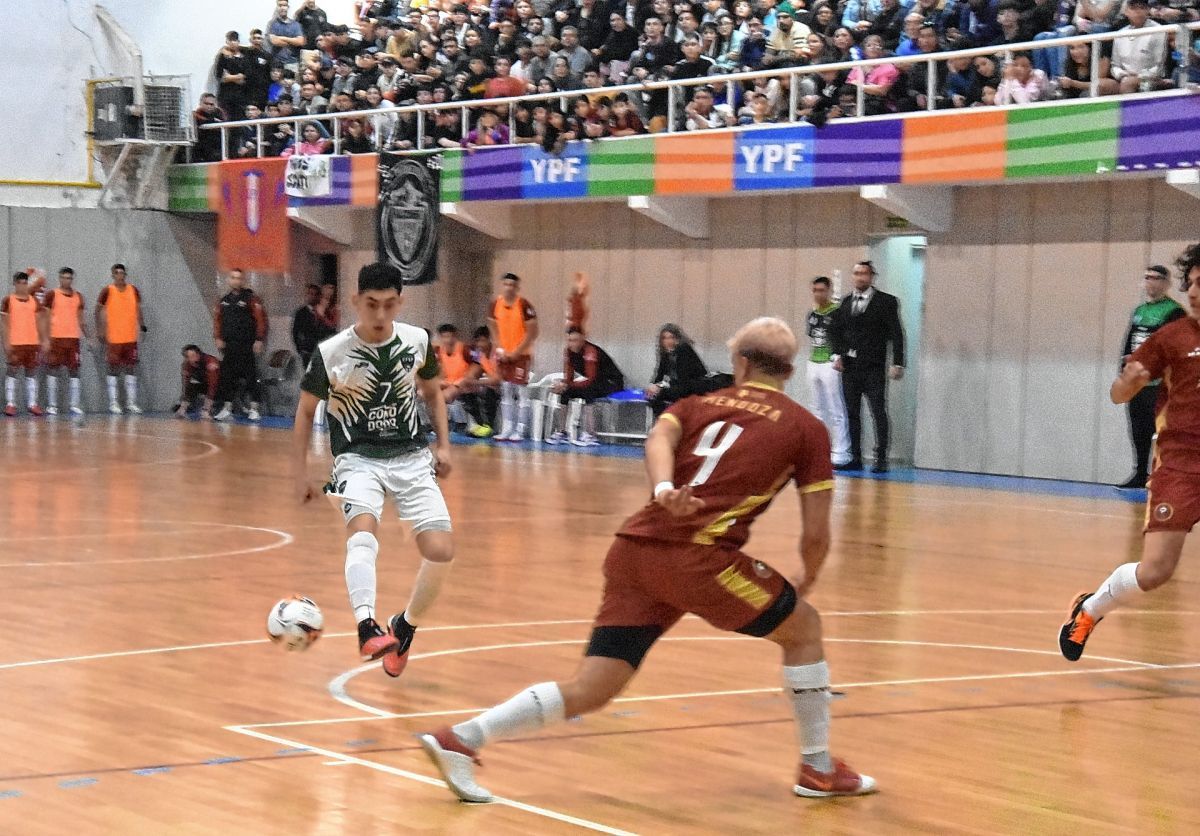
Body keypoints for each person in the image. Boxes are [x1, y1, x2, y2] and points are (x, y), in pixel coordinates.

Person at [417, 316, 877, 802]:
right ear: (789, 370)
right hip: (699, 560)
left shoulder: (696, 404)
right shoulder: (806, 428)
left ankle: (462, 739)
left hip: (633, 551)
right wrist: (808, 576)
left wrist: (663, 489)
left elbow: (659, 438)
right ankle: (818, 768)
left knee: (593, 687)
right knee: (804, 629)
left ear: (741, 363)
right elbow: (816, 532)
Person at [293, 262, 455, 678]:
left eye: (389, 305)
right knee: (363, 534)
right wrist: (301, 473)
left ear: (400, 302)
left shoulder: (417, 340)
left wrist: (443, 445)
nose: (380, 314)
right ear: (355, 301)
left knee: (441, 552)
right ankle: (366, 626)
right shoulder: (332, 352)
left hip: (411, 457)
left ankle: (405, 626)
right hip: (357, 458)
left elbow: (432, 393)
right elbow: (305, 410)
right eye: (371, 304)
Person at [1060, 243, 1200, 661]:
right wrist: (1131, 381)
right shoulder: (1172, 337)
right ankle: (1090, 610)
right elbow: (1118, 394)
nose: (1194, 293)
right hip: (1180, 466)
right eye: (1191, 284)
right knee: (1155, 572)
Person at [829, 260, 905, 473]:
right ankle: (855, 457)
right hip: (850, 367)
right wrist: (837, 354)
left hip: (874, 366)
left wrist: (897, 362)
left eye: (864, 273)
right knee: (852, 413)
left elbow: (896, 333)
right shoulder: (846, 302)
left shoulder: (886, 301)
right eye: (857, 273)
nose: (860, 277)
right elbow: (835, 331)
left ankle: (881, 457)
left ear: (871, 277)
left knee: (878, 411)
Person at [1115, 265, 1186, 489]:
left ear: (1165, 283)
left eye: (1155, 278)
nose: (1150, 282)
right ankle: (1139, 473)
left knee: (1162, 429)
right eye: (1147, 278)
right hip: (1138, 382)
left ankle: (1163, 474)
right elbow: (1130, 341)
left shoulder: (1174, 311)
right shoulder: (1140, 311)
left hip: (1159, 382)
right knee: (1139, 428)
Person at [548, 327, 625, 446]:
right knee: (565, 392)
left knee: (588, 390)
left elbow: (590, 379)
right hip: (596, 381)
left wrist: (567, 385)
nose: (572, 344)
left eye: (575, 340)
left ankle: (591, 434)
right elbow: (569, 377)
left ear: (583, 339)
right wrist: (562, 385)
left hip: (612, 382)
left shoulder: (590, 351)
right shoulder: (568, 352)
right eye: (570, 340)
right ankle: (562, 432)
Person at [487, 272, 539, 441]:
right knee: (506, 391)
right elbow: (493, 326)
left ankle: (520, 429)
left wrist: (516, 352)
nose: (508, 288)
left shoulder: (524, 305)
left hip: (521, 355)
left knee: (521, 392)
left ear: (517, 287)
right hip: (504, 355)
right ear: (502, 285)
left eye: (512, 285)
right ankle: (507, 427)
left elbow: (532, 332)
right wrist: (499, 348)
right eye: (506, 284)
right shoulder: (496, 304)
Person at [806, 277, 852, 467]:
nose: (818, 294)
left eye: (821, 290)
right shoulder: (812, 314)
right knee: (816, 408)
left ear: (829, 291)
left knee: (835, 408)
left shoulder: (837, 312)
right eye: (815, 290)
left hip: (830, 362)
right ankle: (819, 448)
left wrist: (839, 355)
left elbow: (844, 337)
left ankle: (841, 451)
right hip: (813, 361)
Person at [212, 269, 268, 422]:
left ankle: (254, 409)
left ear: (243, 281)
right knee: (227, 377)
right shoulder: (224, 301)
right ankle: (227, 408)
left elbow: (260, 320)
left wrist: (259, 339)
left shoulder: (251, 299)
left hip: (246, 344)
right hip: (229, 345)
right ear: (229, 280)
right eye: (233, 278)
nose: (236, 281)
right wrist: (218, 337)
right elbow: (217, 321)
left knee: (250, 376)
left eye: (239, 278)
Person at [95, 263, 146, 415]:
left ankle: (131, 403)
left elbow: (138, 309)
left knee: (131, 368)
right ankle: (113, 403)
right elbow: (97, 311)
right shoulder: (107, 291)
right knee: (113, 369)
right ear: (112, 275)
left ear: (125, 274)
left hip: (130, 337)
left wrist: (142, 326)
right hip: (114, 338)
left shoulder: (133, 290)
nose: (119, 275)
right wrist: (100, 330)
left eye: (122, 273)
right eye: (116, 273)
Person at [42, 267, 88, 416]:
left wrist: (88, 336)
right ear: (60, 278)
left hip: (73, 339)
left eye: (69, 278)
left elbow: (81, 319)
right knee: (53, 370)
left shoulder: (78, 296)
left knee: (74, 371)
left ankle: (74, 405)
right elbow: (46, 318)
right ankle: (52, 405)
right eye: (64, 277)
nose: (66, 280)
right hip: (56, 338)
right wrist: (45, 339)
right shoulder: (52, 295)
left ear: (72, 279)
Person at [1, 272, 47, 417]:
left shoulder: (34, 301)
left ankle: (32, 404)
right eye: (19, 283)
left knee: (31, 372)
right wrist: (6, 342)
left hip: (32, 343)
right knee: (12, 371)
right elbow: (3, 324)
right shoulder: (8, 300)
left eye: (25, 283)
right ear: (14, 284)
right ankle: (10, 404)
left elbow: (40, 322)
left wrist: (44, 339)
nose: (22, 286)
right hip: (15, 343)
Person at [436, 323, 490, 437]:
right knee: (423, 393)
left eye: (450, 336)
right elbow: (440, 370)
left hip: (463, 383)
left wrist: (469, 377)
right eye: (445, 337)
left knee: (443, 396)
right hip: (449, 383)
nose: (448, 340)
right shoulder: (440, 351)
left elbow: (479, 362)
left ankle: (448, 425)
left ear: (455, 336)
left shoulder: (466, 349)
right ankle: (434, 425)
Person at [645, 323, 709, 416]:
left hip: (693, 386)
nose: (668, 341)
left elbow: (684, 378)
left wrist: (660, 386)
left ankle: (669, 419)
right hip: (679, 386)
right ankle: (663, 419)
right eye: (665, 338)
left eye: (671, 337)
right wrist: (653, 386)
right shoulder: (666, 353)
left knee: (662, 393)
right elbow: (659, 373)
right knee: (652, 395)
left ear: (677, 339)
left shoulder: (684, 350)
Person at [175, 344, 220, 419]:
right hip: (205, 384)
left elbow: (213, 385)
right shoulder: (187, 364)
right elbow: (186, 385)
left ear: (198, 355)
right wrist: (183, 406)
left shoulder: (210, 362)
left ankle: (215, 408)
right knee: (191, 387)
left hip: (220, 387)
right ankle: (183, 409)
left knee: (216, 389)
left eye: (192, 356)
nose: (189, 359)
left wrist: (206, 409)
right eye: (187, 357)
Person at [292, 284, 324, 369]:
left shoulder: (323, 312)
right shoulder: (301, 313)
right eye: (310, 294)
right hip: (307, 350)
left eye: (315, 294)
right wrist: (300, 349)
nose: (312, 297)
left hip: (320, 349)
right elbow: (295, 332)